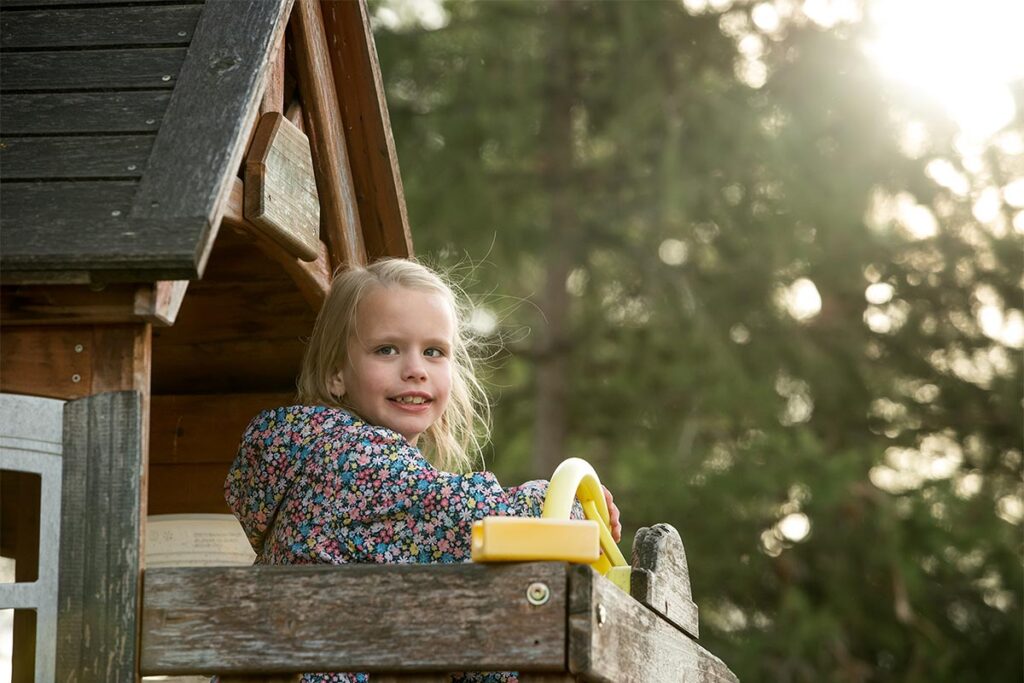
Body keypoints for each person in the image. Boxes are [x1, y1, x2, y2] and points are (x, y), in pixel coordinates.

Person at [225, 258, 621, 683]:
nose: (415, 369)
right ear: (336, 372)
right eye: (387, 349)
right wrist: (569, 513)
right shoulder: (348, 461)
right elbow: (479, 518)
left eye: (433, 351)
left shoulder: (323, 461)